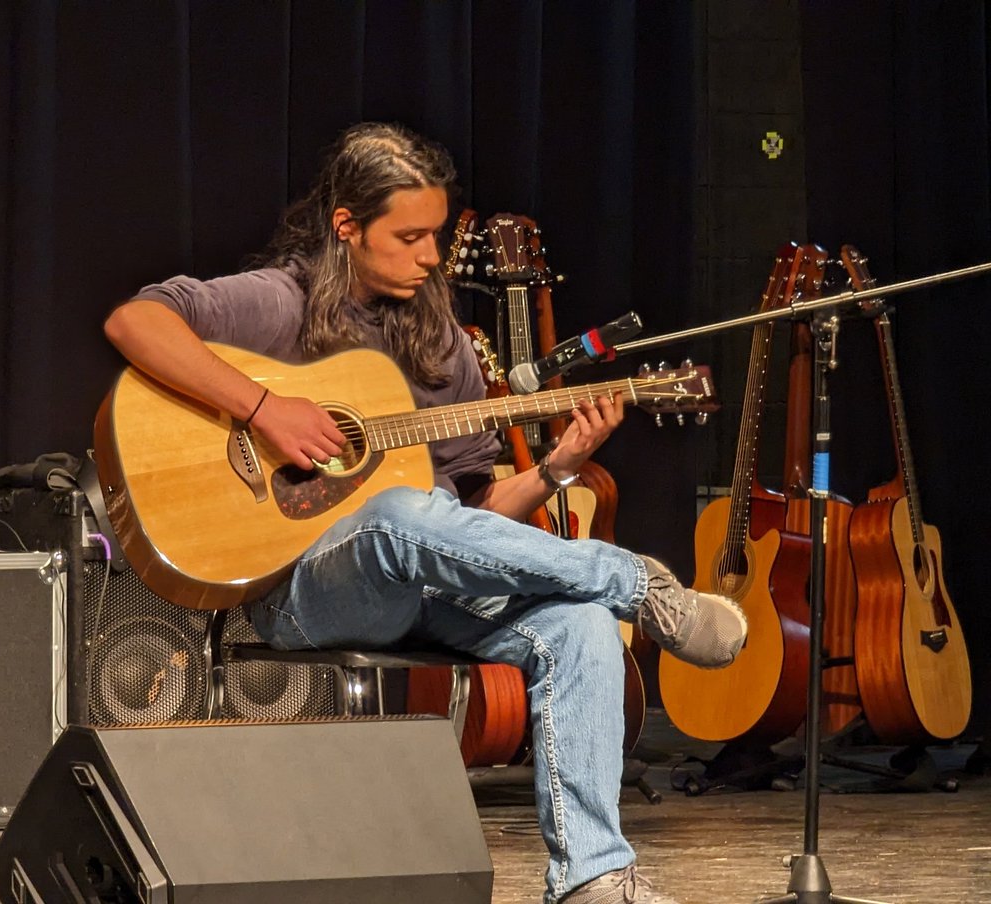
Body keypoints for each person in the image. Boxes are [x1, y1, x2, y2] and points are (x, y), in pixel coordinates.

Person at [104, 121, 746, 904]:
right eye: (408, 237)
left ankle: (592, 879)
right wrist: (265, 407)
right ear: (347, 226)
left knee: (574, 621)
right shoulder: (280, 302)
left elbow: (477, 517)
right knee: (401, 510)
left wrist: (553, 470)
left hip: (434, 591)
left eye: (436, 236)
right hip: (307, 589)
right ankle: (634, 583)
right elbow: (135, 321)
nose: (430, 257)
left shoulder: (440, 341)